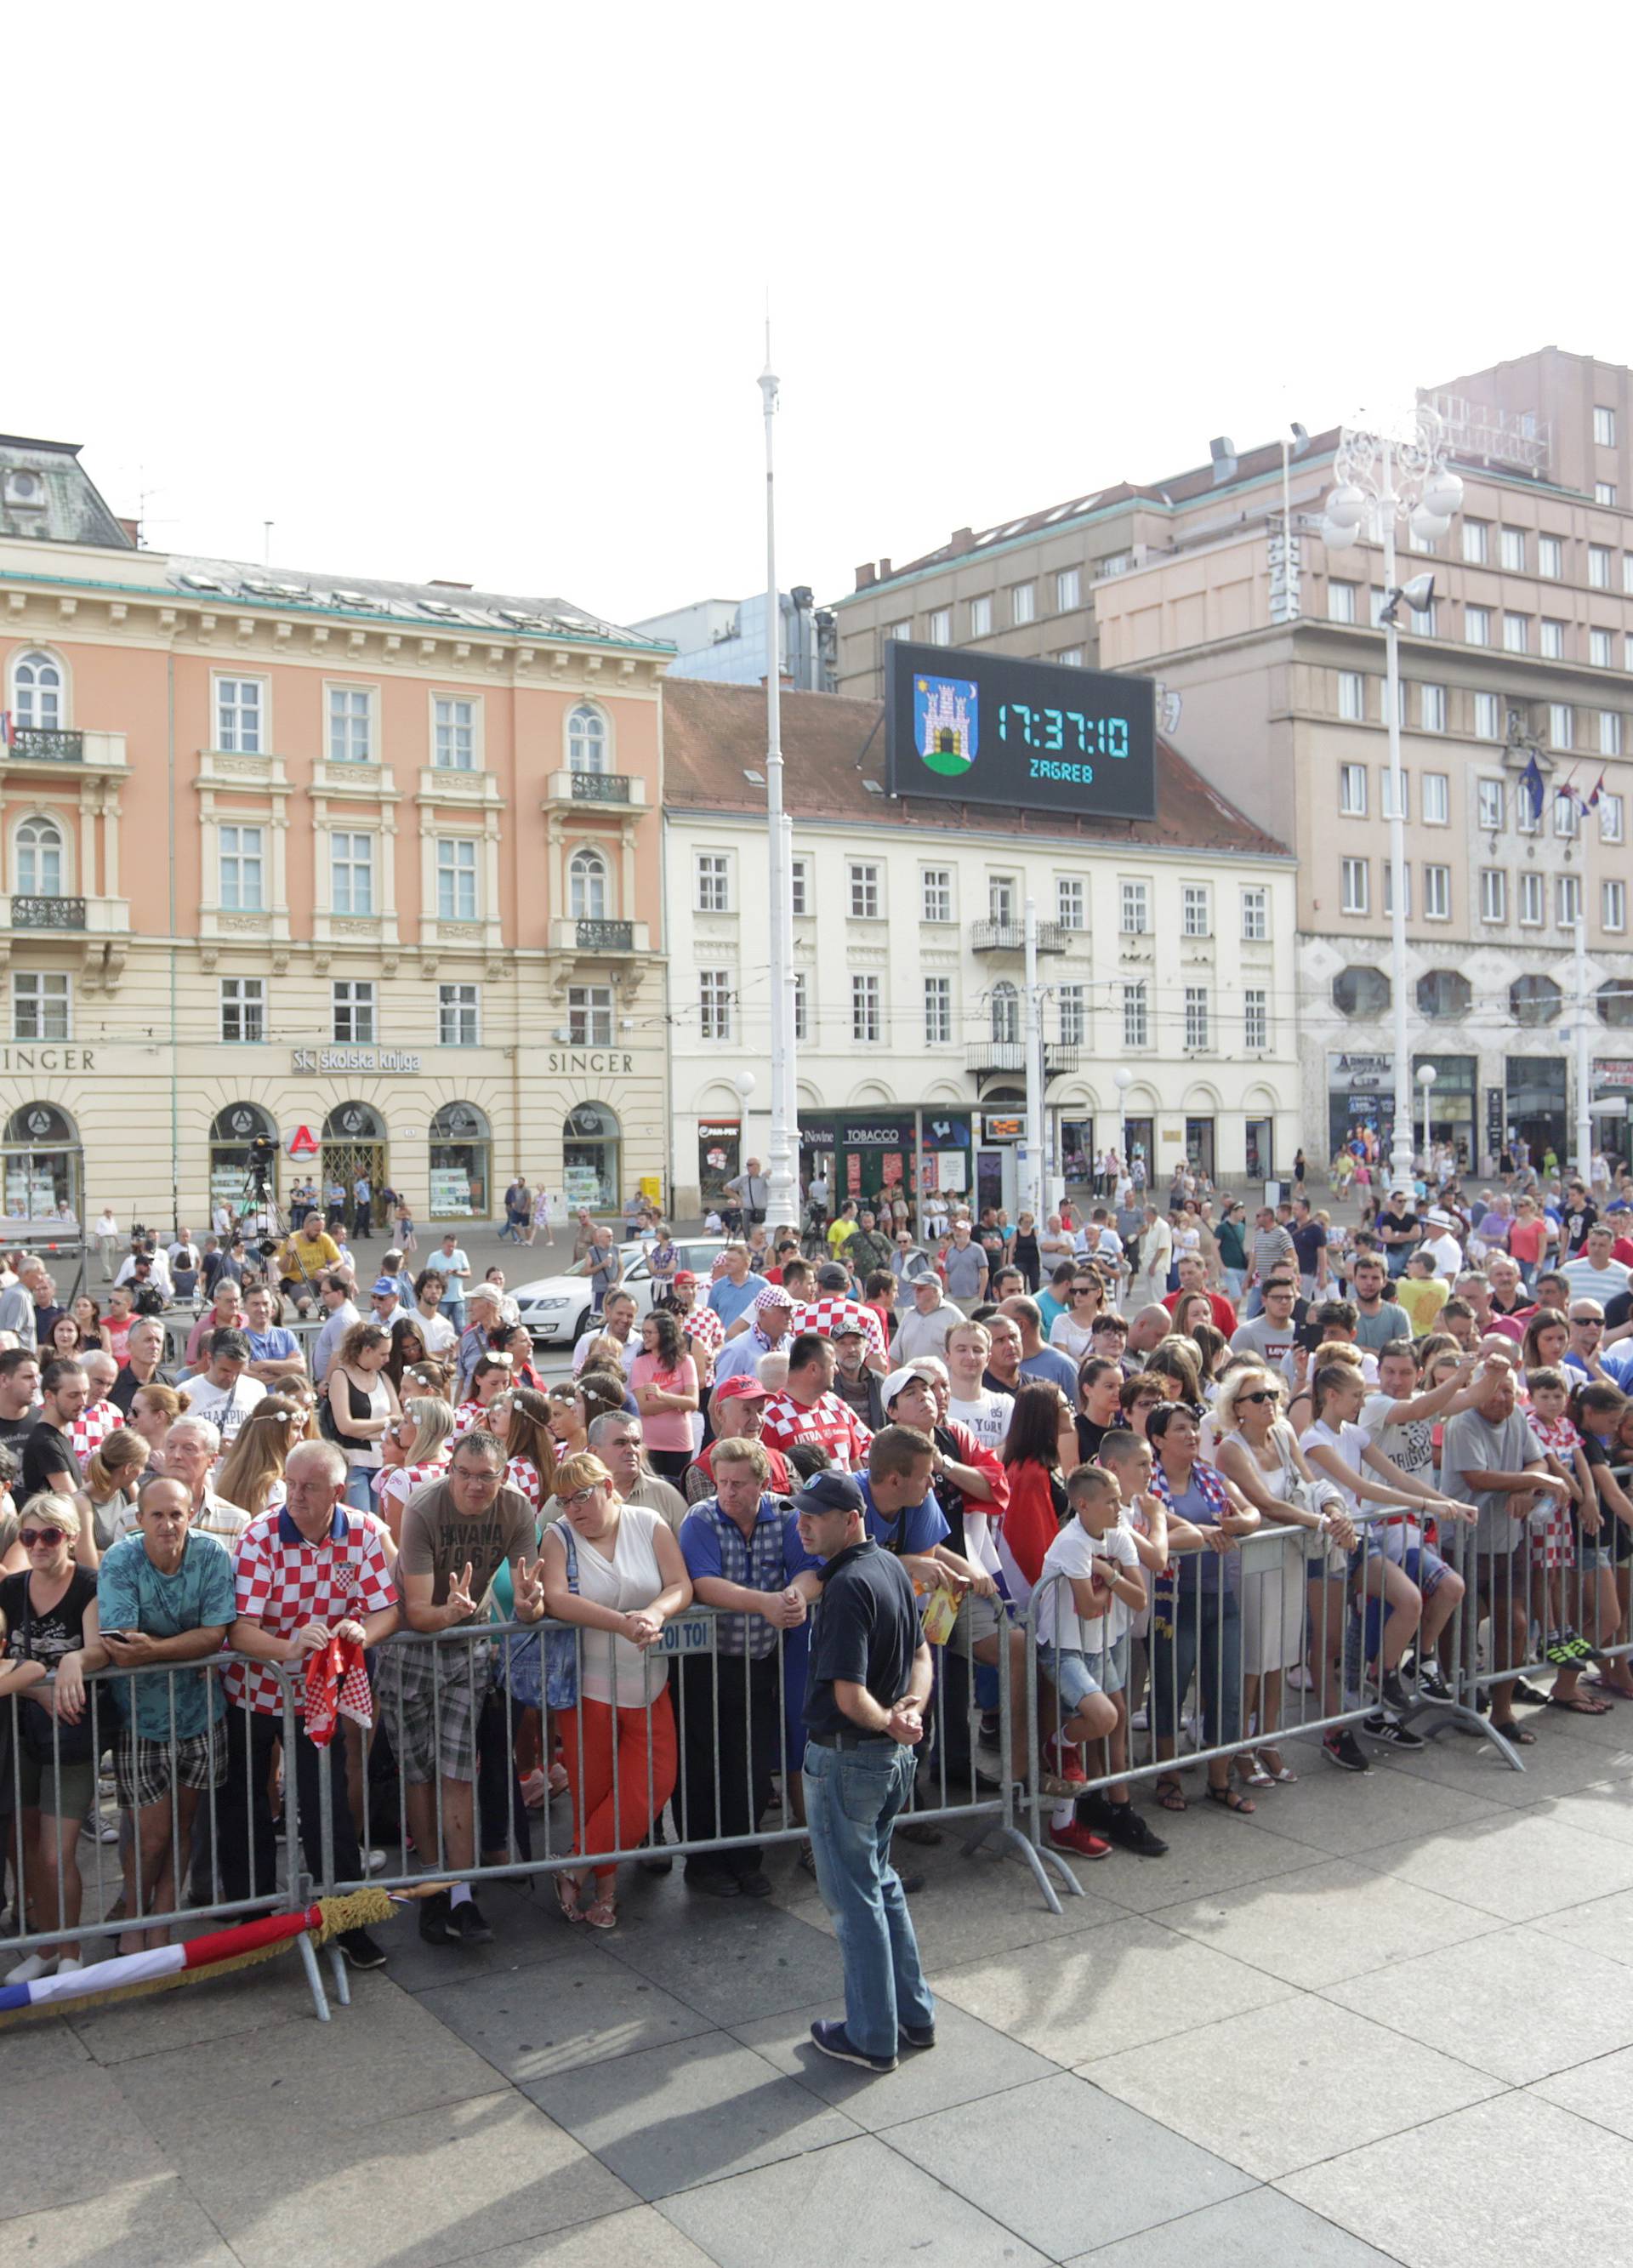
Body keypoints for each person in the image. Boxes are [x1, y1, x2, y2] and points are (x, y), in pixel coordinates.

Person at [215, 1440, 396, 1965]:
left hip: (317, 1695)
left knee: (327, 1805)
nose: (294, 1495)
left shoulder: (362, 1530)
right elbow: (240, 1630)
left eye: (308, 1487)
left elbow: (388, 1610)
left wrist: (363, 1630)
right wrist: (289, 1648)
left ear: (338, 1491)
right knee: (247, 1805)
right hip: (253, 1692)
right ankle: (253, 1929)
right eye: (290, 1484)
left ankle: (347, 1921)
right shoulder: (260, 1535)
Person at [795, 1467, 936, 2072]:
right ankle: (914, 2015)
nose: (803, 1524)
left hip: (850, 1759)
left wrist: (892, 1721)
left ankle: (874, 2036)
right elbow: (921, 1655)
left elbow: (850, 1696)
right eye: (800, 1512)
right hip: (883, 1760)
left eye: (815, 1515)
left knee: (856, 1901)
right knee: (880, 1884)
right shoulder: (887, 1567)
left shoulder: (852, 1584)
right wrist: (910, 1710)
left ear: (851, 1519)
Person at [389, 1428, 547, 1945]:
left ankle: (461, 1895)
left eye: (486, 1477)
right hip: (412, 1644)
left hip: (468, 1646)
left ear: (501, 1478)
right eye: (464, 1474)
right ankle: (433, 1887)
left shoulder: (518, 1509)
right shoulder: (423, 1508)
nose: (475, 1486)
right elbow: (414, 1612)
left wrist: (530, 1607)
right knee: (420, 1771)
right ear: (449, 1471)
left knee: (457, 1768)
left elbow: (529, 1600)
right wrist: (449, 1612)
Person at [539, 1449, 691, 1929]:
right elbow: (557, 1599)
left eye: (581, 1496)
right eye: (564, 1501)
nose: (574, 1509)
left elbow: (680, 1584)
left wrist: (656, 1613)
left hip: (650, 1682)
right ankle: (604, 1892)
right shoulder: (557, 1536)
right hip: (589, 1688)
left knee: (656, 1781)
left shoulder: (648, 1522)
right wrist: (622, 1623)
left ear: (608, 1487)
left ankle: (575, 1864)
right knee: (594, 1792)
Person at [96, 1474, 236, 1952]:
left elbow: (216, 1634)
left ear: (191, 1513)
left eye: (177, 1513)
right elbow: (119, 1645)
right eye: (157, 1515)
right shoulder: (120, 1559)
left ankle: (162, 1923)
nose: (168, 1524)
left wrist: (154, 1648)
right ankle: (134, 1916)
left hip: (202, 1714)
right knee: (152, 1835)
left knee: (181, 1827)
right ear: (140, 1520)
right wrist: (185, 1649)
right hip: (141, 1719)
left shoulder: (213, 1555)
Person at [678, 1437, 815, 1897]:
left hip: (759, 1657)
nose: (728, 1492)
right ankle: (703, 1863)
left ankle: (746, 1857)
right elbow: (705, 1583)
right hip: (708, 1661)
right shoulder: (701, 1518)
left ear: (762, 1483)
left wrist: (795, 1594)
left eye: (739, 1483)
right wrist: (768, 1604)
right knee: (705, 1764)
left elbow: (809, 1568)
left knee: (754, 1764)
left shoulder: (787, 1515)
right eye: (722, 1483)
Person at [0, 1493, 103, 1980]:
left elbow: (99, 1650)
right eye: (29, 1536)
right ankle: (43, 1948)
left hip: (72, 1733)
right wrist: (35, 1683)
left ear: (71, 1538)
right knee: (23, 1842)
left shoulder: (88, 1585)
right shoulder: (11, 1588)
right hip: (19, 1733)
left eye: (50, 1535)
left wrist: (71, 1662)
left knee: (55, 1850)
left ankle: (69, 1953)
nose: (38, 1545)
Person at [1441, 1362, 1572, 1741]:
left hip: (1507, 1542)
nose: (1502, 1398)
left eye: (1509, 1390)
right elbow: (1476, 1477)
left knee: (1514, 1624)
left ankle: (1502, 1710)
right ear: (1480, 1389)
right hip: (1463, 1541)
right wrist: (1534, 1479)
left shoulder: (1515, 1417)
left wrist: (1526, 1487)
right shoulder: (1463, 1423)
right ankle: (1462, 1700)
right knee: (1460, 1625)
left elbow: (1537, 1458)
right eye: (1495, 1389)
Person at [760, 1332, 873, 1473]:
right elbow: (771, 1477)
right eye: (832, 1365)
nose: (837, 1370)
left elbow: (855, 1465)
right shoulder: (771, 1416)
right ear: (813, 1369)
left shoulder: (838, 1406)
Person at [325, 1322, 400, 1511]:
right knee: (362, 1523)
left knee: (380, 1525)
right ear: (367, 1350)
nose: (387, 1359)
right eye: (383, 1354)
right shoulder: (341, 1376)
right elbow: (345, 1426)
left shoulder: (383, 1378)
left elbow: (398, 1419)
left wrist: (364, 1431)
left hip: (383, 1463)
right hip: (354, 1465)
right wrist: (385, 1424)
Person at [686, 1377, 791, 1502]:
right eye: (747, 1411)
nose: (757, 1420)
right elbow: (713, 1517)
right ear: (720, 1413)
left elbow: (797, 1514)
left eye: (760, 1411)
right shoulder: (701, 1471)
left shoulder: (781, 1461)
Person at [627, 1308, 700, 1479]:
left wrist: (662, 1395)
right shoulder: (640, 1363)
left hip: (680, 1443)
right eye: (644, 1332)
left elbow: (693, 1403)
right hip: (650, 1444)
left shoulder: (686, 1361)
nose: (645, 1336)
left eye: (650, 1332)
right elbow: (644, 1407)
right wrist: (679, 1402)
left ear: (665, 1334)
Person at [184, 1330, 266, 1450]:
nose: (231, 1378)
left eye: (238, 1372)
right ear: (208, 1358)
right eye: (225, 1370)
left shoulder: (257, 1389)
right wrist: (209, 1445)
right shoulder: (186, 1392)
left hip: (245, 1467)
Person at [23, 1359, 90, 1501]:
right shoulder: (45, 1443)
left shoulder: (57, 1436)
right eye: (73, 1395)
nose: (83, 1402)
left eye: (85, 1393)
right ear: (49, 1396)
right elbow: (73, 1500)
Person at [999, 1295, 1078, 1397]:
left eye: (1002, 1322)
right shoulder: (994, 1362)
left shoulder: (1063, 1366)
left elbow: (1077, 1410)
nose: (995, 1327)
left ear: (1020, 1326)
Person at [276, 1213, 344, 1315]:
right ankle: (305, 1303)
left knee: (346, 1271)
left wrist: (329, 1269)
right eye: (317, 1231)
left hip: (320, 1277)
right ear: (306, 1227)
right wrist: (289, 1253)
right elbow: (283, 1269)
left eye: (322, 1230)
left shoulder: (324, 1238)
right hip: (297, 1280)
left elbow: (339, 1260)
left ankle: (344, 1308)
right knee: (303, 1303)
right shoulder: (292, 1239)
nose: (320, 1233)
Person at [1159, 1253, 1238, 1336]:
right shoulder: (1167, 1303)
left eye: (1191, 1273)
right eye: (1182, 1274)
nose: (1186, 1278)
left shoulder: (1222, 1304)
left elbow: (1233, 1337)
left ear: (1205, 1274)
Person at [310, 1274, 361, 1386]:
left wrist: (326, 1382)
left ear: (339, 1293)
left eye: (326, 1293)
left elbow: (338, 1355)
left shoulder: (342, 1319)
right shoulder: (339, 1314)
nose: (322, 1296)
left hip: (334, 1383)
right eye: (321, 1292)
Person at [94, 1204, 120, 1282]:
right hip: (104, 1238)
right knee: (105, 1258)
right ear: (104, 1213)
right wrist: (97, 1242)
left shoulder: (113, 1220)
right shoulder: (100, 1220)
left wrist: (118, 1242)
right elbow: (98, 1232)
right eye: (107, 1212)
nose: (109, 1213)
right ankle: (108, 1276)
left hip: (112, 1238)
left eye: (110, 1212)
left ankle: (107, 1275)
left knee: (111, 1259)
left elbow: (115, 1232)